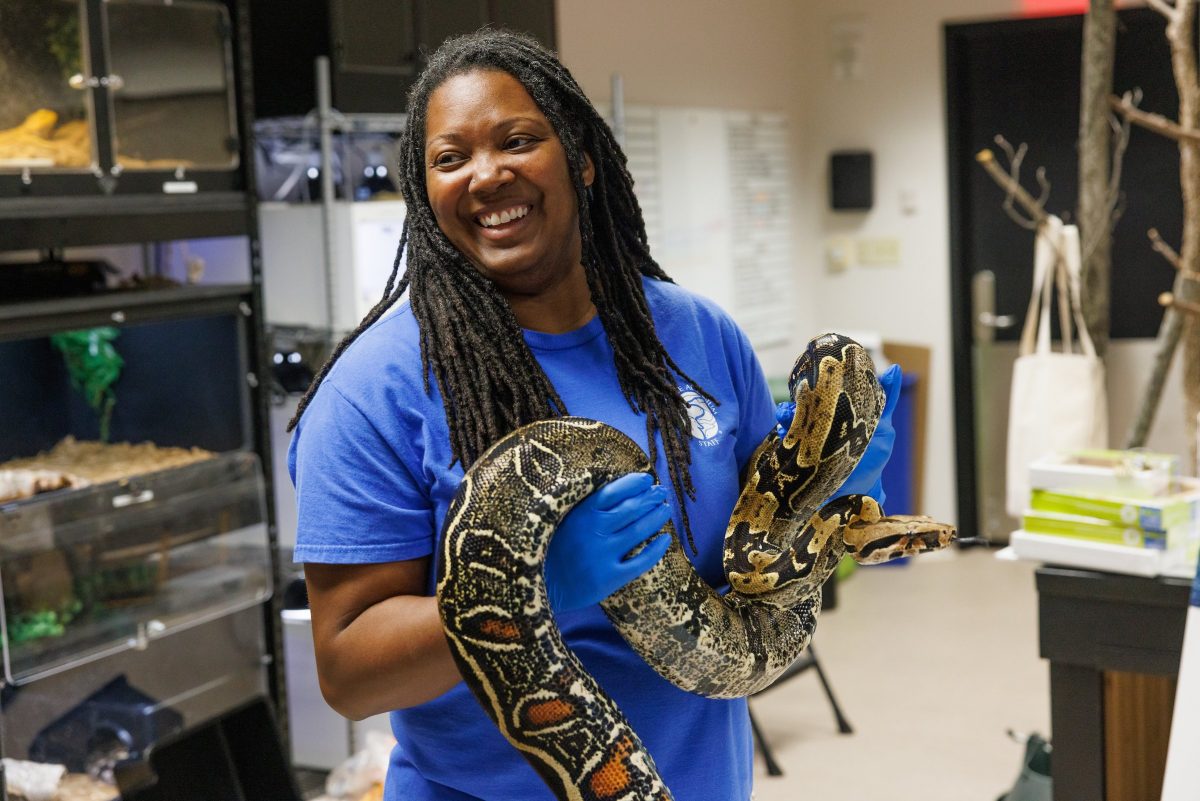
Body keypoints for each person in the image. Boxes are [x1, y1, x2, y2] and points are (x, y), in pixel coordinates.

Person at [288, 29, 899, 801]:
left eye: (517, 140)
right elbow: (347, 669)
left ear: (580, 156)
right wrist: (526, 586)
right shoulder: (372, 390)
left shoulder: (695, 336)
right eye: (450, 158)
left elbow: (757, 559)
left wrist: (828, 485)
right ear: (423, 188)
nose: (487, 174)